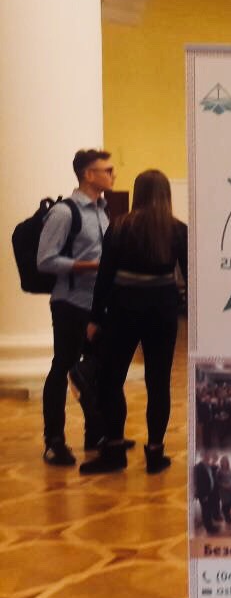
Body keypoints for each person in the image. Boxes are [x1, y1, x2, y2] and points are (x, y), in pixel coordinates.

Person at [79, 169, 188, 474]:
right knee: (158, 383)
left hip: (123, 310)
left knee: (111, 381)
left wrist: (94, 317)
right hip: (163, 312)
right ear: (166, 194)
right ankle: (155, 453)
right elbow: (191, 275)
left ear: (137, 193)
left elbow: (104, 277)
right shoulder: (178, 230)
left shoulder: (120, 226)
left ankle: (114, 451)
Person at [36, 148, 113, 466]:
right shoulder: (65, 212)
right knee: (62, 367)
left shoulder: (102, 211)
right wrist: (88, 266)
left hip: (97, 305)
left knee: (96, 369)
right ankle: (54, 440)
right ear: (88, 174)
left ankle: (95, 433)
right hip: (70, 303)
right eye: (107, 170)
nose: (113, 175)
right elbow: (45, 260)